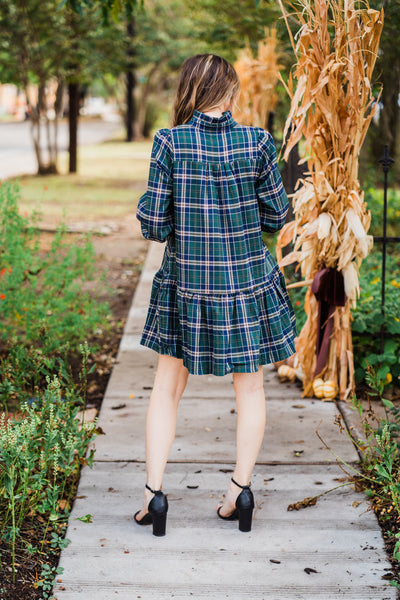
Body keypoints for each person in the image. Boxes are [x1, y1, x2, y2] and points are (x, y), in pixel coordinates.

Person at [134, 54, 296, 536]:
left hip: (188, 284)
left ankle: (154, 497)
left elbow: (154, 225)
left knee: (166, 388)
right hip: (247, 285)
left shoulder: (170, 142)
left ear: (187, 92)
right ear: (231, 94)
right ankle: (239, 492)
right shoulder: (257, 141)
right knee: (250, 388)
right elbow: (277, 216)